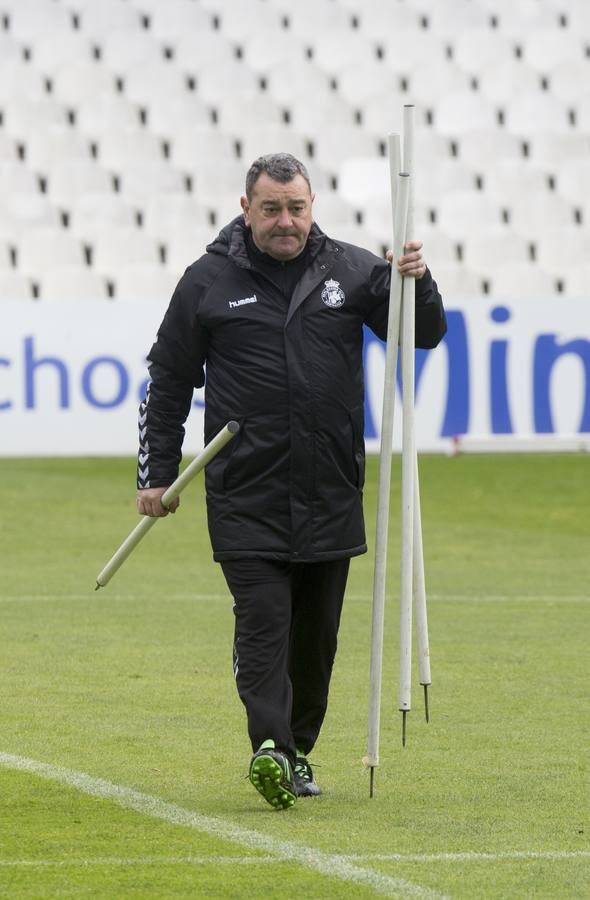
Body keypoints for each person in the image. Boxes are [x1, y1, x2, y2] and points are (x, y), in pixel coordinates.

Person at [136, 153, 446, 810]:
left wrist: (416, 284)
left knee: (317, 638)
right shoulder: (206, 281)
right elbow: (167, 381)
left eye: (296, 208)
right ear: (246, 208)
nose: (285, 221)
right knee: (265, 622)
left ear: (312, 207)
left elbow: (423, 335)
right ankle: (271, 747)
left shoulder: (355, 269)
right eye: (271, 209)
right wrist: (157, 474)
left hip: (331, 490)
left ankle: (297, 748)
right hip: (246, 493)